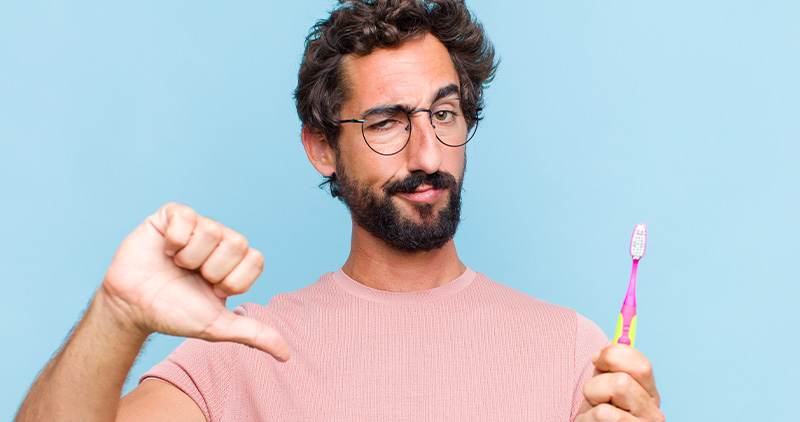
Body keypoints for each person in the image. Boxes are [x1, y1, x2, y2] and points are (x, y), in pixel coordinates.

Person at [16, 0, 664, 421]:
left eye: (444, 113)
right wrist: (118, 314)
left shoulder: (580, 355)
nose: (426, 152)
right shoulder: (241, 354)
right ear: (322, 148)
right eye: (387, 121)